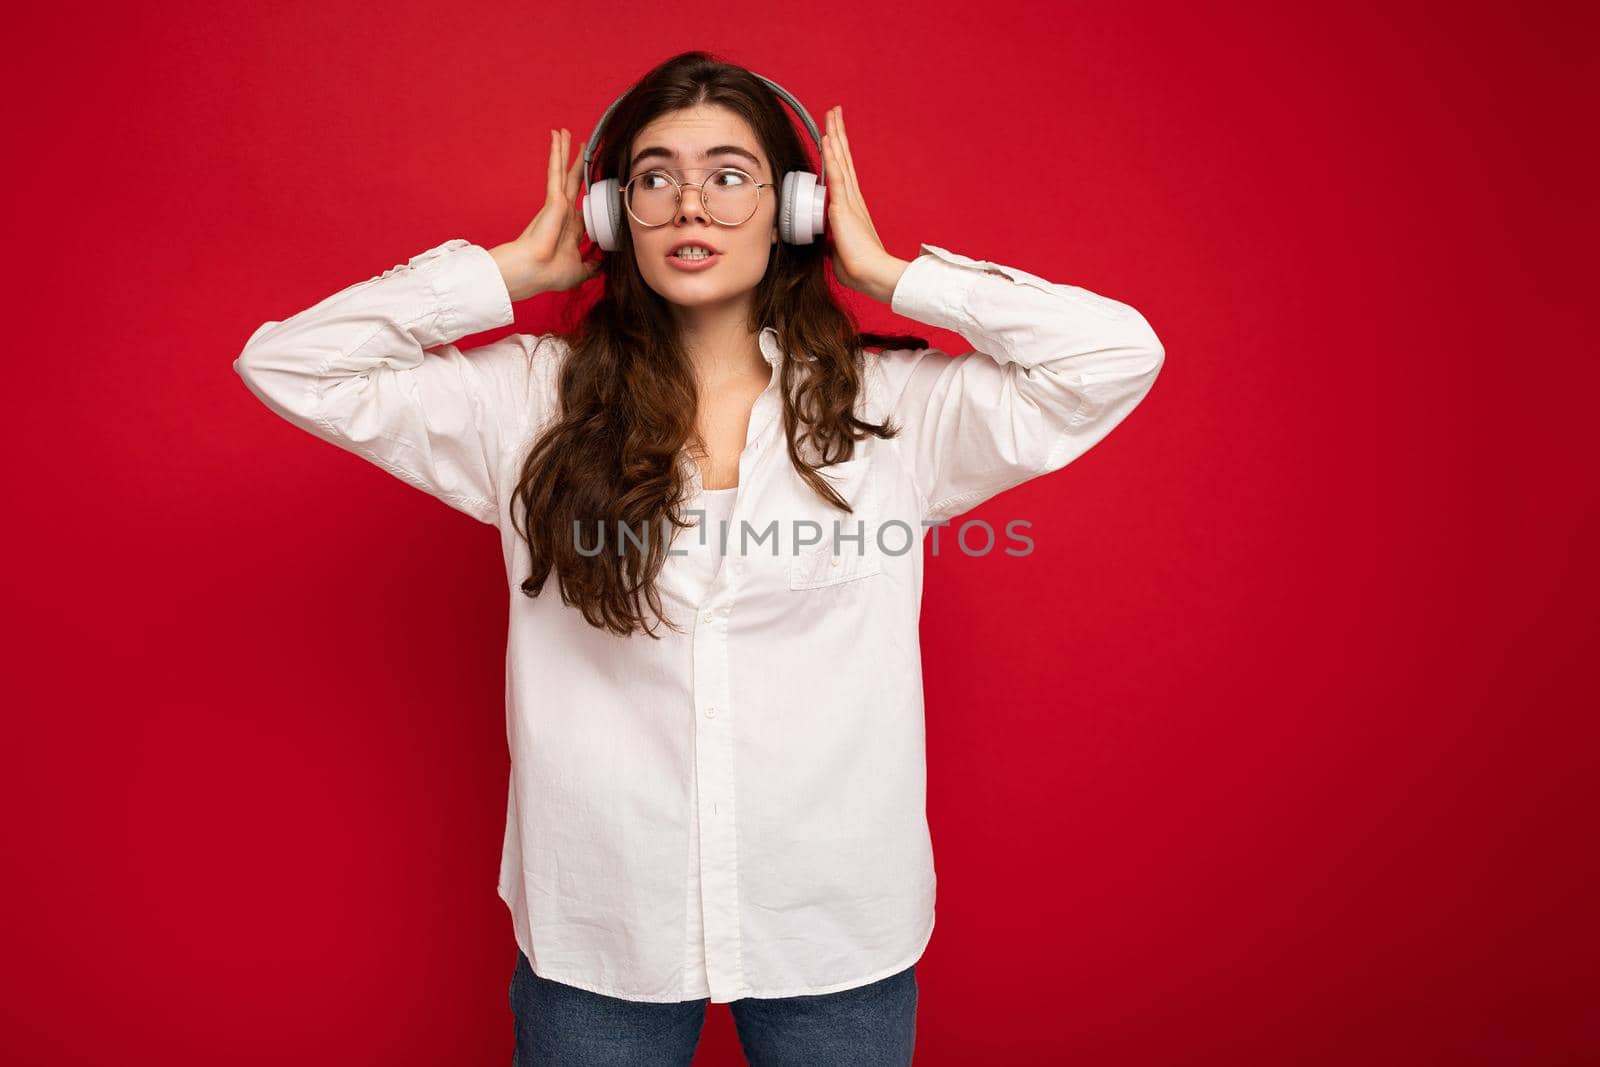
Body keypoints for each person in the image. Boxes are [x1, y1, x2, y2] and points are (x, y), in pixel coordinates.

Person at [233, 50, 1164, 1067]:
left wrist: (894, 274)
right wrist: (500, 273)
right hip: (603, 927)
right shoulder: (523, 404)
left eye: (730, 175)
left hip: (833, 920)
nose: (691, 205)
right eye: (654, 176)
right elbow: (288, 361)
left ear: (795, 209)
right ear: (611, 215)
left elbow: (1114, 354)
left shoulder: (894, 410)